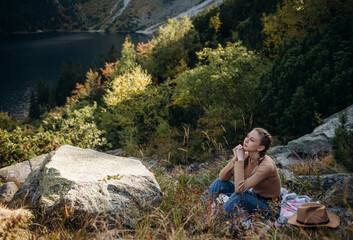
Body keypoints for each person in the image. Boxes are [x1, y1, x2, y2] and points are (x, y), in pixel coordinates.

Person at [202, 128, 281, 221]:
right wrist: (235, 159)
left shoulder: (267, 166)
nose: (246, 140)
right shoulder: (247, 156)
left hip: (271, 208)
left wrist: (240, 161)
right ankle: (199, 211)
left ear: (260, 148)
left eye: (252, 140)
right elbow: (222, 177)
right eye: (247, 136)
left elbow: (239, 190)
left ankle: (216, 222)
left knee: (240, 196)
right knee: (219, 183)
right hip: (254, 196)